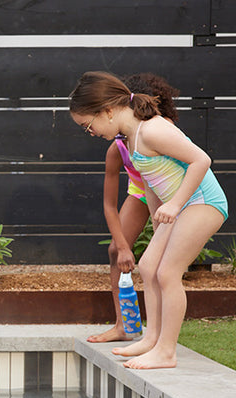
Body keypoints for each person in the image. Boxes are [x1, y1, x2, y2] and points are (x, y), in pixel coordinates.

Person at [69, 71, 228, 369]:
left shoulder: (153, 130)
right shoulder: (130, 139)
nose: (89, 132)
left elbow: (201, 160)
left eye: (88, 125)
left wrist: (176, 203)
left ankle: (166, 351)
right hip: (181, 208)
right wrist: (161, 224)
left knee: (167, 273)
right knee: (149, 265)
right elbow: (153, 183)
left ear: (107, 110)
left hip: (202, 202)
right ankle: (151, 339)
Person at [87, 73, 180, 343]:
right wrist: (123, 246)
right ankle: (123, 325)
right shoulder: (118, 148)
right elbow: (109, 204)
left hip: (172, 190)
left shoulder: (161, 130)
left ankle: (161, 332)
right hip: (142, 191)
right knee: (116, 249)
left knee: (163, 263)